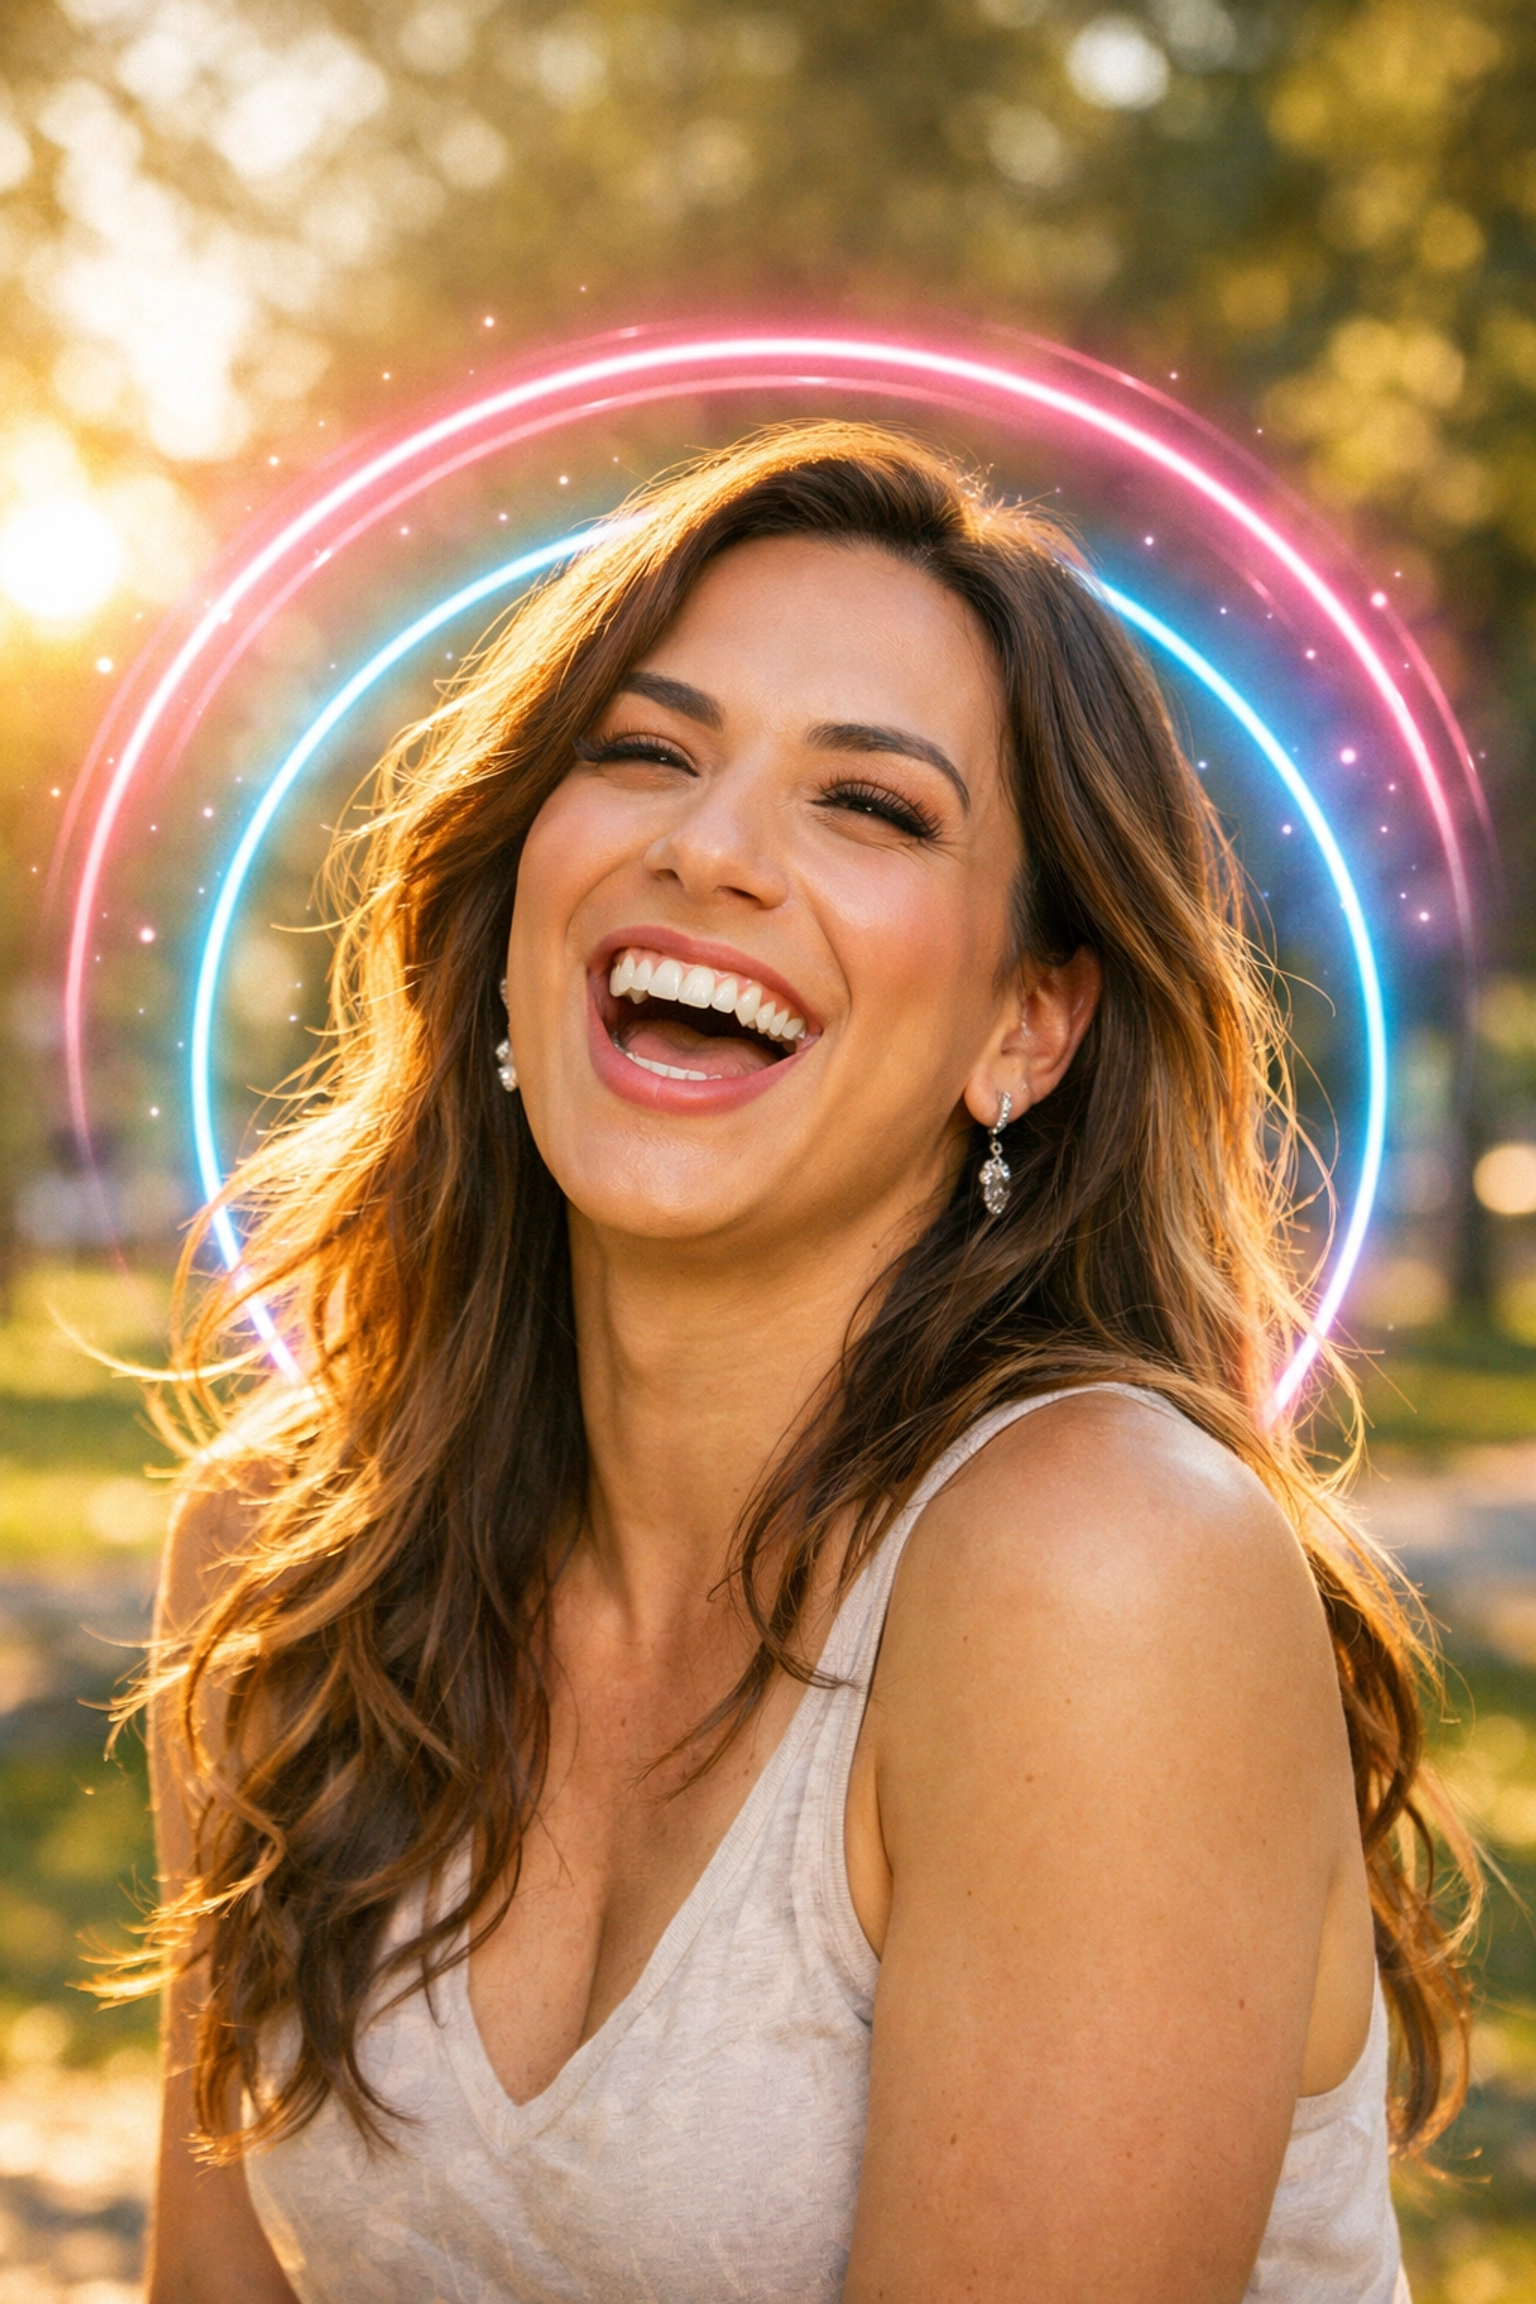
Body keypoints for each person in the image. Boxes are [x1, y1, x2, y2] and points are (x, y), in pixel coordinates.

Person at [134, 423, 1470, 2303]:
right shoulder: (286, 1562)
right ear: (515, 913)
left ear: (1026, 1025)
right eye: (646, 752)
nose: (710, 846)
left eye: (874, 807)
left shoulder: (1100, 1571)